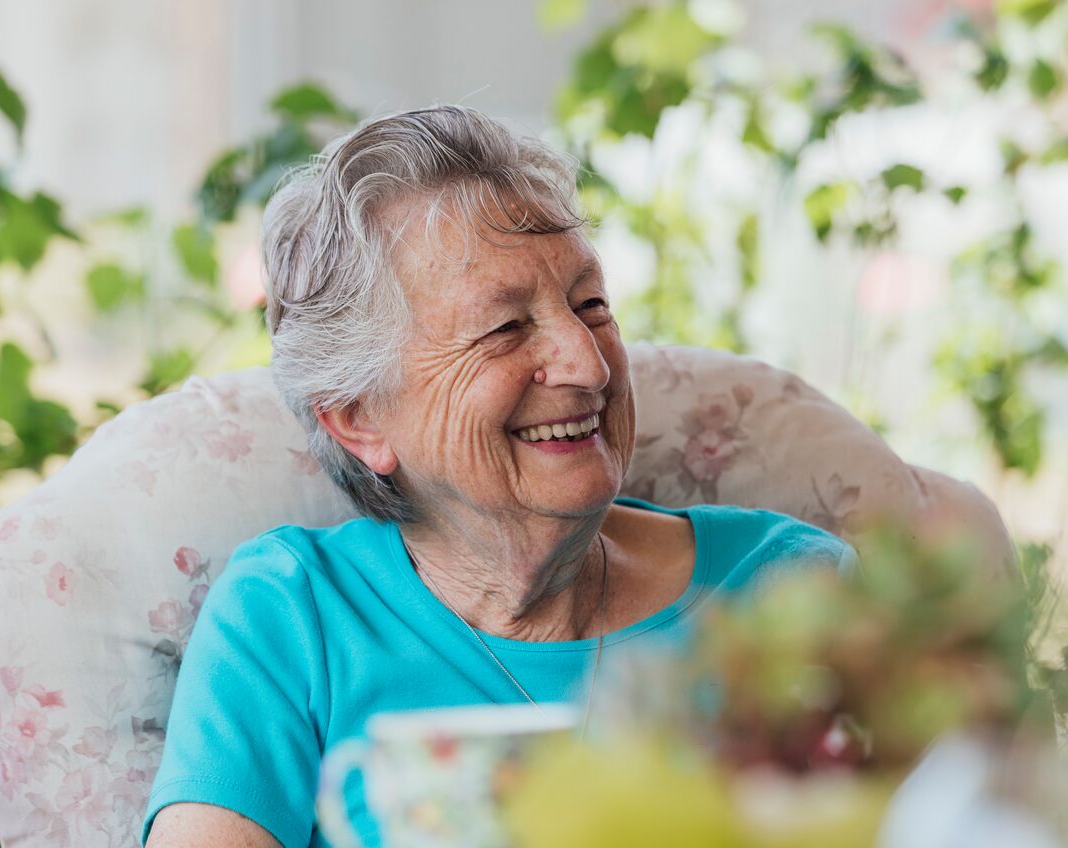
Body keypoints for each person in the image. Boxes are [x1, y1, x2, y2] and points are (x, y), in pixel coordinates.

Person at [141, 104, 856, 848]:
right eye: (505, 328)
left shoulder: (793, 592)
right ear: (359, 418)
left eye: (592, 305)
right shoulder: (292, 620)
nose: (588, 365)